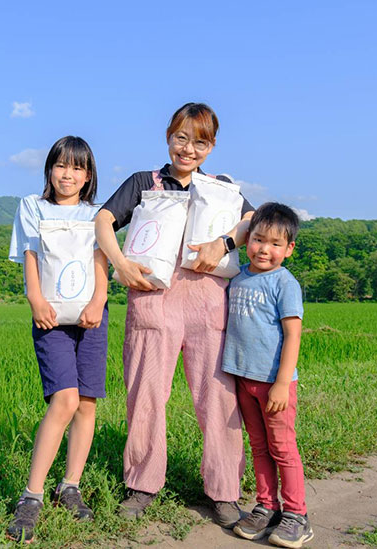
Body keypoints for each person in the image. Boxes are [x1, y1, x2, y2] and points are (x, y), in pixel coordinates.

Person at [94, 102, 255, 528]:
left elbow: (252, 220)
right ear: (169, 136)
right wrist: (121, 265)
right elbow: (104, 219)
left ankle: (223, 491)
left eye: (199, 141)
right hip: (152, 298)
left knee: (217, 397)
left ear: (211, 145)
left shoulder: (221, 187)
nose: (188, 149)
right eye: (181, 138)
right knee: (145, 393)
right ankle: (142, 484)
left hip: (208, 302)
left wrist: (223, 244)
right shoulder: (144, 182)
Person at [6, 136, 109, 543]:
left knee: (86, 404)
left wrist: (99, 301)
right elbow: (30, 254)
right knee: (63, 400)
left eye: (78, 168)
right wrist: (34, 299)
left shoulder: (97, 213)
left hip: (91, 316)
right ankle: (31, 496)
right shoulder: (33, 206)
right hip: (50, 317)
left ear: (88, 175)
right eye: (62, 166)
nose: (69, 174)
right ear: (49, 169)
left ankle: (70, 486)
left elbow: (102, 258)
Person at [224, 203, 314, 547]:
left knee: (282, 448)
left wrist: (281, 383)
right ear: (248, 240)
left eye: (276, 244)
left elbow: (293, 334)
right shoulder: (239, 276)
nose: (265, 249)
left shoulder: (284, 283)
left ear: (289, 249)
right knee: (259, 447)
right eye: (258, 240)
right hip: (244, 380)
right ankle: (266, 506)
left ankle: (296, 515)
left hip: (274, 384)